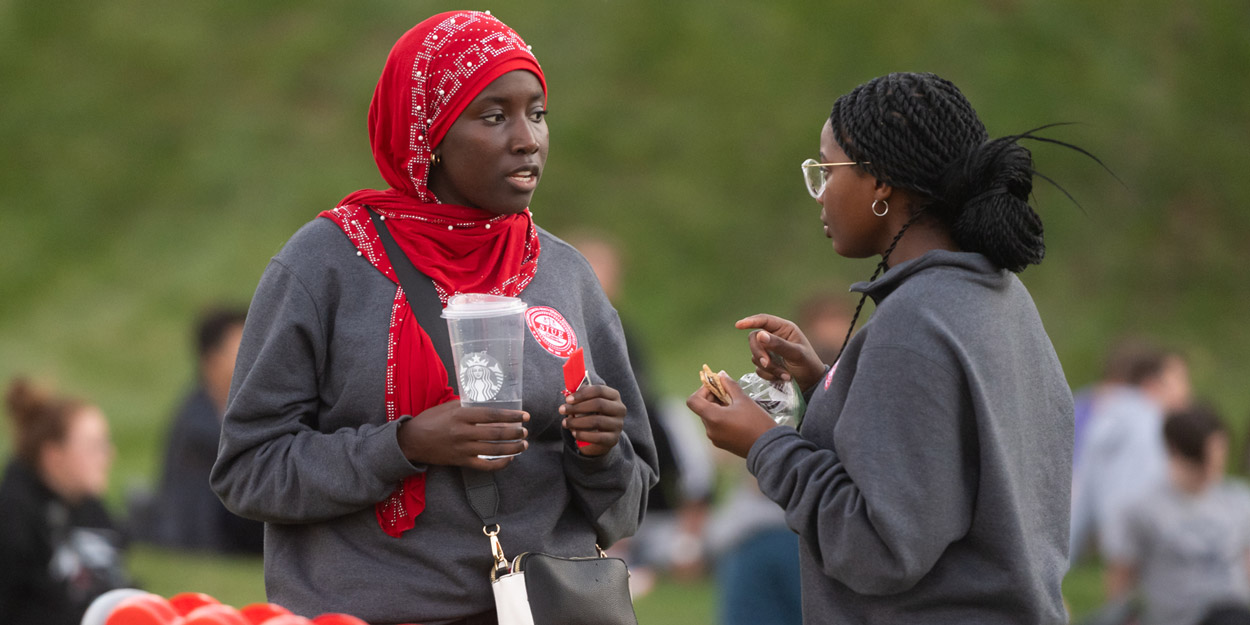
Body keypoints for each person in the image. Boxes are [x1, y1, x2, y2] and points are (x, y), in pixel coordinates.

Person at [210, 11, 658, 625]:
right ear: (431, 137)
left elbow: (625, 509)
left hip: (546, 609)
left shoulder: (565, 275)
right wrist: (406, 444)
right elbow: (249, 472)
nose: (528, 139)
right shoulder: (324, 266)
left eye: (538, 112)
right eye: (494, 116)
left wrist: (600, 450)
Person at [687, 72, 1083, 624]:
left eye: (826, 170)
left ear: (881, 182)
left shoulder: (916, 321)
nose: (820, 192)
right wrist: (823, 383)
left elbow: (878, 548)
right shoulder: (996, 295)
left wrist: (764, 445)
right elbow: (937, 460)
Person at [1103, 404, 1250, 625]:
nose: (1216, 465)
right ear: (1177, 451)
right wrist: (1120, 614)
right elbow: (1122, 575)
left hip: (1235, 609)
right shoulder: (1143, 509)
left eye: (1221, 453)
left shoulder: (1238, 499)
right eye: (1207, 457)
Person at [0, 377, 130, 625]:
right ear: (54, 456)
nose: (109, 455)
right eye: (94, 446)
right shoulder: (13, 518)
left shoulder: (92, 509)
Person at [136, 307, 263, 554]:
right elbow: (191, 519)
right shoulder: (196, 427)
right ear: (211, 362)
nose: (256, 357)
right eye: (243, 349)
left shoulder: (253, 408)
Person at [1068, 342, 1191, 565]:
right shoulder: (1153, 423)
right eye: (1179, 381)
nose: (1187, 390)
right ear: (1153, 384)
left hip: (1092, 526)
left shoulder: (1103, 414)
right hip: (1138, 541)